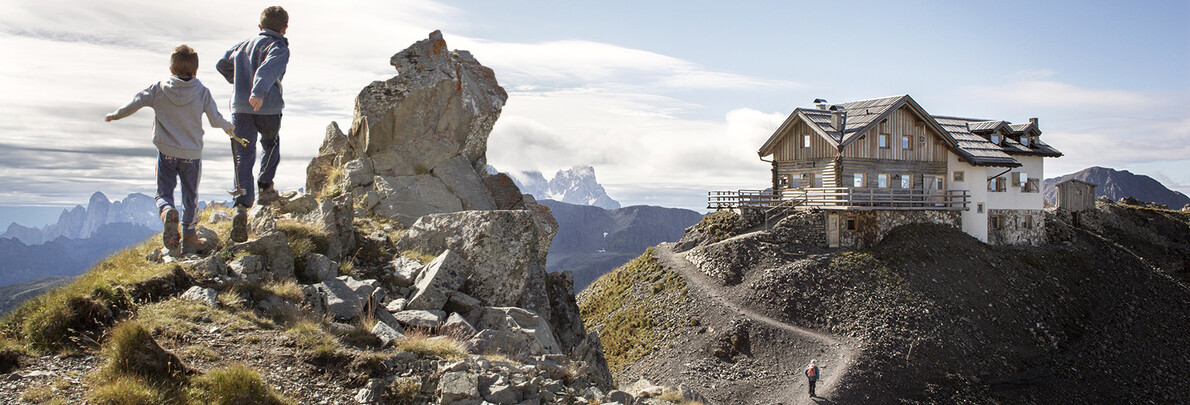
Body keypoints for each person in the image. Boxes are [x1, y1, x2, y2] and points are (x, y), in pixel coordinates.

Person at [106, 45, 234, 255]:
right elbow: (214, 119)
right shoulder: (202, 92)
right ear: (196, 70)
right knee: (190, 195)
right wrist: (229, 127)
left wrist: (116, 115)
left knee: (163, 193)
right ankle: (190, 236)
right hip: (191, 155)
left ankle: (167, 214)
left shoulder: (158, 88)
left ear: (171, 70)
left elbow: (136, 102)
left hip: (165, 153)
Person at [216, 5, 290, 242]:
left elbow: (221, 64)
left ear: (259, 27)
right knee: (270, 143)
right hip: (267, 107)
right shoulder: (279, 46)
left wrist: (238, 81)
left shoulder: (242, 45)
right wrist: (257, 91)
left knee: (243, 155)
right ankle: (265, 186)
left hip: (240, 108)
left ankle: (241, 206)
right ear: (285, 28)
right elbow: (270, 67)